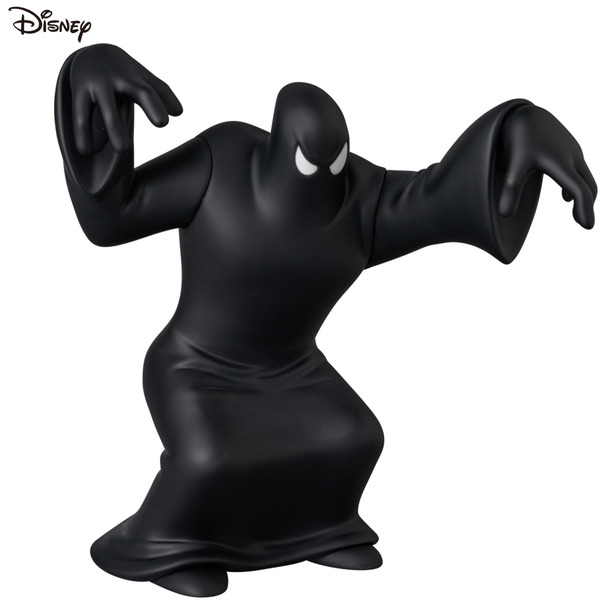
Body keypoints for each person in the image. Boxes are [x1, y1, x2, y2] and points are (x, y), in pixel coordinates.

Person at [55, 44, 596, 597]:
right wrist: (91, 95)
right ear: (278, 148)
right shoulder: (221, 161)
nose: (322, 179)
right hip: (194, 363)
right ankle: (168, 544)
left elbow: (439, 194)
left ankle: (320, 529)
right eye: (309, 164)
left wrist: (515, 131)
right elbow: (114, 215)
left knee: (352, 436)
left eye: (336, 162)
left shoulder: (359, 195)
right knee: (210, 456)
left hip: (293, 366)